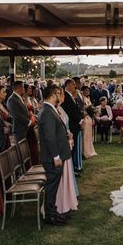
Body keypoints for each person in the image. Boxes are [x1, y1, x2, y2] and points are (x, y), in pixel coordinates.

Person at [38, 86, 71, 226]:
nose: (60, 96)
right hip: (52, 157)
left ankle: (53, 211)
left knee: (54, 186)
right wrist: (56, 157)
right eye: (58, 94)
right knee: (51, 186)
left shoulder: (50, 109)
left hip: (55, 155)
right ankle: (50, 215)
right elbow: (50, 137)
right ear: (53, 95)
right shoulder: (46, 111)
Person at [55, 88, 79, 215]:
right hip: (60, 147)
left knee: (67, 172)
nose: (63, 96)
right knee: (62, 174)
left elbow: (65, 126)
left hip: (66, 143)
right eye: (61, 94)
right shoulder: (55, 111)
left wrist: (69, 134)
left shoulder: (60, 109)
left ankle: (68, 196)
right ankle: (62, 200)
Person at [61, 79, 83, 173]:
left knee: (73, 148)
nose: (75, 86)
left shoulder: (70, 96)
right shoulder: (65, 96)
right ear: (68, 85)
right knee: (71, 148)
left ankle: (72, 167)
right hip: (71, 125)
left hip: (75, 124)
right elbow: (70, 112)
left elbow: (76, 109)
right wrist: (79, 121)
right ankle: (70, 169)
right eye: (73, 84)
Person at [23, 84, 41, 165]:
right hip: (29, 123)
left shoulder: (29, 99)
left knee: (34, 144)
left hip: (33, 122)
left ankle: (35, 161)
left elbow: (32, 111)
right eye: (29, 88)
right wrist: (31, 119)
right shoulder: (23, 99)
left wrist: (35, 117)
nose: (31, 90)